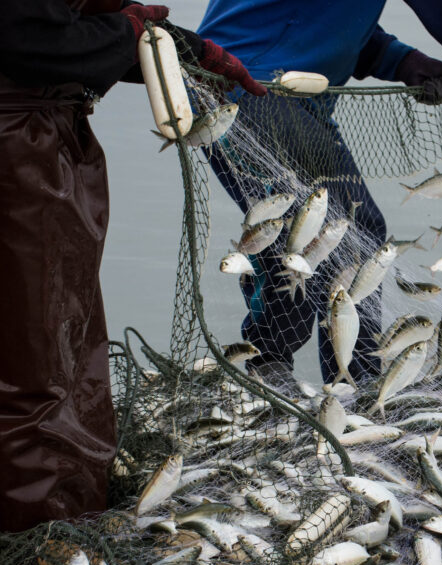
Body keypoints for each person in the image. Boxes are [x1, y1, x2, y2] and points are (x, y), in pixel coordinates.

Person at [198, 0, 442, 389]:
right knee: (326, 233)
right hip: (251, 89)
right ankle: (305, 376)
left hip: (264, 87)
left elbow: (315, 14)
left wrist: (397, 59)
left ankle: (327, 377)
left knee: (337, 231)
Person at [0, 0, 263, 532]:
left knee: (58, 338)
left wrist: (189, 48)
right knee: (34, 357)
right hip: (17, 150)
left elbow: (62, 27)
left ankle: (64, 508)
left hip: (40, 135)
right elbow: (27, 42)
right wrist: (126, 31)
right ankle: (40, 534)